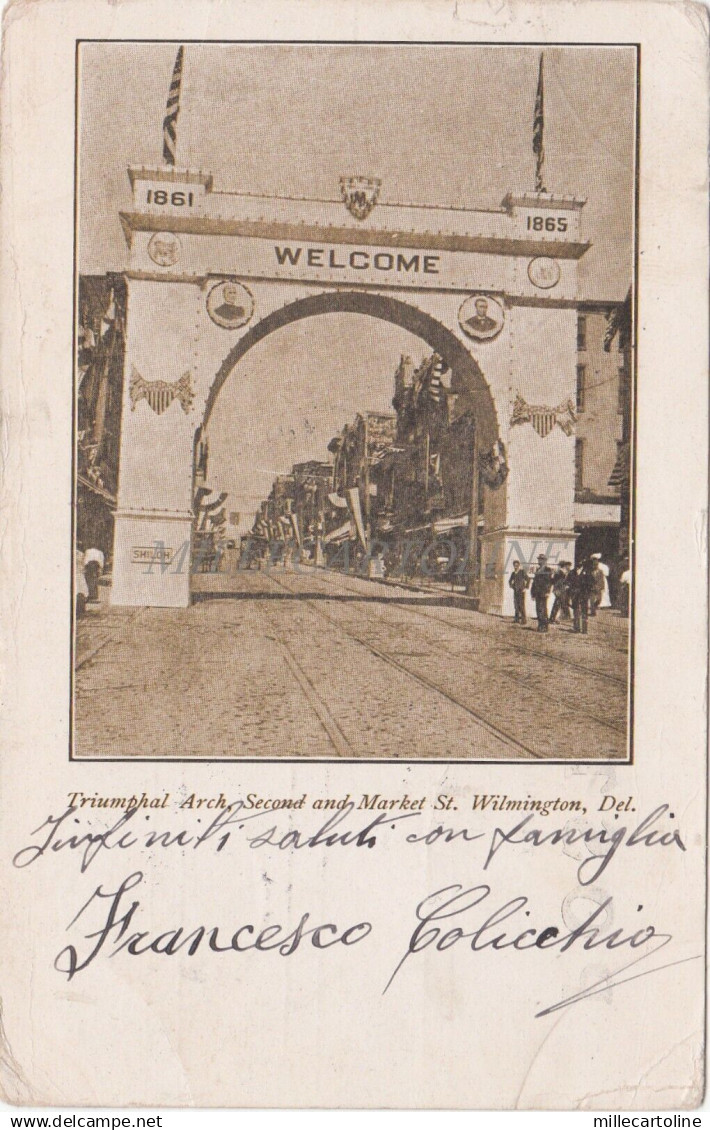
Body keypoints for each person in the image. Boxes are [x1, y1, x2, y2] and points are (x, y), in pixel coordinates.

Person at [569, 560, 595, 634]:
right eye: (577, 563)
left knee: (584, 611)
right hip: (575, 594)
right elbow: (567, 581)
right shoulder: (572, 572)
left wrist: (588, 590)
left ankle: (584, 629)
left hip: (584, 594)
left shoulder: (587, 572)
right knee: (576, 611)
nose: (578, 565)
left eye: (580, 564)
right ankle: (576, 628)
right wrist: (570, 588)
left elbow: (592, 582)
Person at [530, 554, 554, 633]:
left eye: (541, 559)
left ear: (545, 561)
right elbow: (534, 583)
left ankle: (545, 627)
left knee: (543, 610)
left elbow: (549, 582)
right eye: (539, 559)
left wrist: (547, 592)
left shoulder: (548, 570)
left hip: (544, 593)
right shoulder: (538, 570)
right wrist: (532, 593)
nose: (539, 561)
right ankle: (540, 626)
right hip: (537, 593)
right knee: (538, 609)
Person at [508, 559, 529, 624]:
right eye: (514, 565)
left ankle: (524, 620)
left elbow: (528, 579)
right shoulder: (513, 573)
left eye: (517, 565)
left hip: (521, 591)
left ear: (519, 566)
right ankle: (516, 619)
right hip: (516, 591)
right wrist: (512, 586)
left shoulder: (522, 572)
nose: (516, 567)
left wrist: (525, 588)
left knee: (521, 605)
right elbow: (510, 581)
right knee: (516, 605)